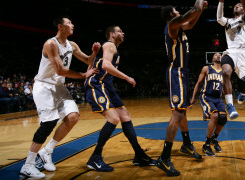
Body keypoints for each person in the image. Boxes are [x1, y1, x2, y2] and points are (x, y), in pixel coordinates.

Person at [19, 16, 100, 179]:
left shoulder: (72, 45)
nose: (72, 24)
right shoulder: (50, 44)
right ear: (60, 27)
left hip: (59, 87)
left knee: (73, 117)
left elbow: (88, 60)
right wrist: (84, 74)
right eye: (69, 22)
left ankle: (46, 152)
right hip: (44, 86)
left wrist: (94, 53)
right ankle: (27, 166)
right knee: (48, 123)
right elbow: (60, 70)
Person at [85, 25, 156, 172]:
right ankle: (95, 157)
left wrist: (87, 71)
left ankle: (139, 155)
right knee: (113, 119)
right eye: (119, 31)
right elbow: (105, 65)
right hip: (97, 85)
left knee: (125, 116)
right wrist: (127, 77)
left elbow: (95, 62)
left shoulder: (111, 48)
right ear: (111, 34)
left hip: (107, 86)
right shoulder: (110, 45)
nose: (123, 33)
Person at [156, 0, 207, 177]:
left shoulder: (180, 29)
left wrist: (200, 11)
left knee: (182, 111)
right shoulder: (171, 25)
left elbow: (192, 21)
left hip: (182, 73)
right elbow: (192, 10)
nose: (178, 12)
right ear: (172, 15)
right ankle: (164, 157)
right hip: (176, 72)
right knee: (177, 114)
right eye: (176, 10)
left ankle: (186, 144)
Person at [217, 0, 245, 119]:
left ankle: (243, 93)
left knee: (243, 83)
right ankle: (230, 106)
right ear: (233, 9)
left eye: (241, 5)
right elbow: (219, 18)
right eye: (237, 5)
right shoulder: (228, 21)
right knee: (225, 72)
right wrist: (221, 1)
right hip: (231, 51)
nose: (239, 5)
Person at [191, 52, 227, 156]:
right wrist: (193, 97)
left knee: (223, 118)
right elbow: (198, 83)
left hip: (218, 99)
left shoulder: (224, 71)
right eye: (216, 55)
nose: (218, 55)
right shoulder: (206, 69)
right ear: (212, 58)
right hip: (206, 96)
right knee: (214, 116)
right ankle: (206, 145)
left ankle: (214, 139)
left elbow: (225, 87)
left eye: (220, 54)